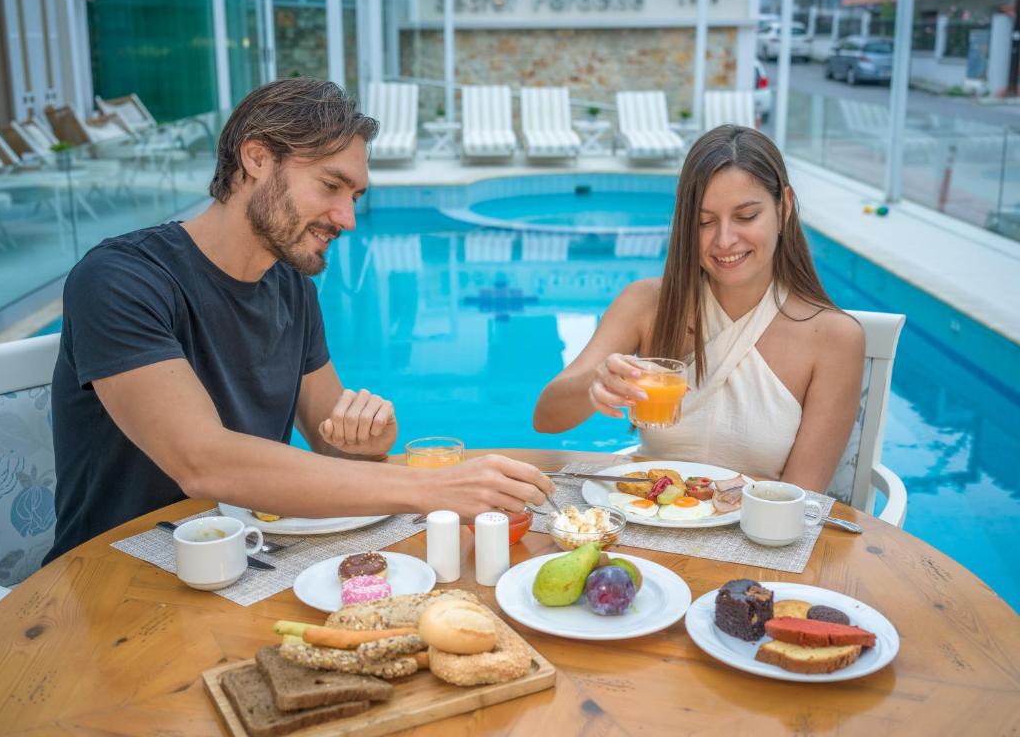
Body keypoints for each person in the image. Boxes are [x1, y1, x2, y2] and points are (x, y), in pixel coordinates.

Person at [46, 78, 552, 563]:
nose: (347, 218)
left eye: (354, 197)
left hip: (249, 555)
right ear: (257, 158)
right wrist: (429, 488)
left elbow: (330, 440)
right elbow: (202, 461)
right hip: (116, 575)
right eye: (332, 185)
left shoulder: (291, 289)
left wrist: (368, 444)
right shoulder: (121, 280)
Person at [533, 125, 864, 493]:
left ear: (783, 206)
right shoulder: (646, 304)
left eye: (746, 216)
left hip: (757, 537)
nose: (724, 241)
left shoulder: (833, 338)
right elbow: (546, 418)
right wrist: (595, 383)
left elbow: (801, 501)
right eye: (705, 222)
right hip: (644, 516)